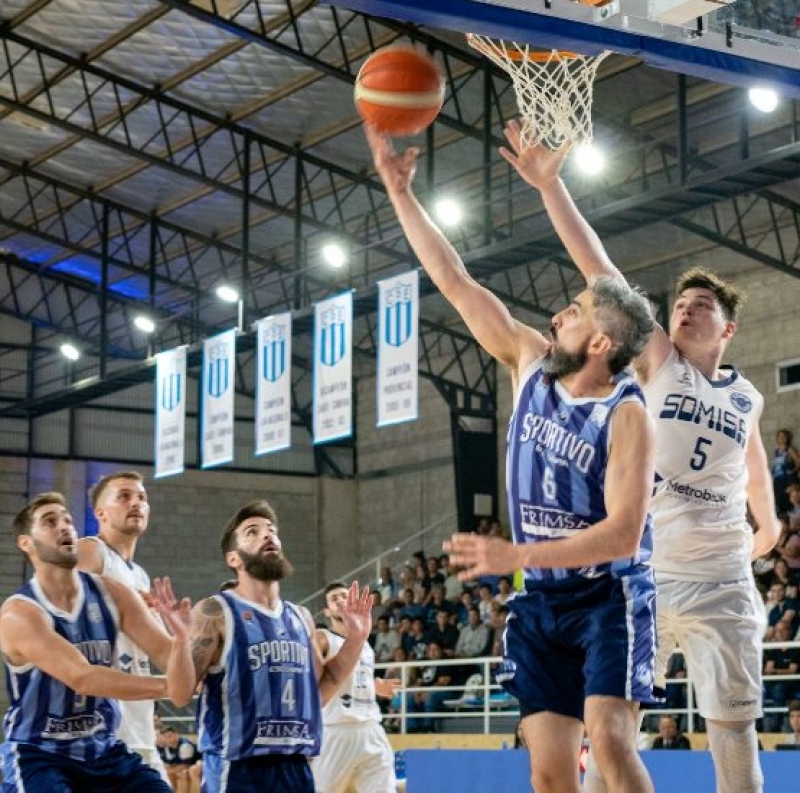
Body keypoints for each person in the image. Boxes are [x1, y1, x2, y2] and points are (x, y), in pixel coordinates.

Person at [366, 123, 658, 793]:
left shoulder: (627, 414)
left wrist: (513, 557)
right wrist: (400, 192)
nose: (559, 314)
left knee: (611, 746)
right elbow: (454, 278)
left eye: (576, 311)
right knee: (550, 779)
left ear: (601, 344)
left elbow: (622, 532)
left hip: (607, 596)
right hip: (541, 603)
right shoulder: (528, 360)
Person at [500, 119, 781, 793]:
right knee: (611, 730)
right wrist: (551, 186)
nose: (685, 311)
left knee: (733, 727)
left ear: (727, 327)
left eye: (701, 306)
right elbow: (602, 271)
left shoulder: (745, 395)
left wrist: (768, 524)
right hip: (645, 575)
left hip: (720, 575)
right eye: (680, 304)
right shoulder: (657, 361)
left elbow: (752, 461)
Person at [0, 492, 195, 792]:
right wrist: (169, 685)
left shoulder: (115, 594)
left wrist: (183, 640)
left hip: (104, 752)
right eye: (50, 522)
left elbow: (168, 656)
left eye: (67, 520)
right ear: (26, 543)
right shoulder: (19, 613)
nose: (64, 527)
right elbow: (83, 677)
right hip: (40, 754)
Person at [181, 499, 373, 793]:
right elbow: (180, 692)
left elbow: (322, 690)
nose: (267, 534)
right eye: (252, 532)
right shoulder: (214, 612)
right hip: (238, 765)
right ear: (234, 559)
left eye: (271, 529)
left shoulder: (301, 617)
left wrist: (356, 638)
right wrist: (178, 642)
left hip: (294, 765)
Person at [76, 470, 168, 779]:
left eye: (141, 497)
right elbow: (65, 612)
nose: (136, 503)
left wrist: (169, 622)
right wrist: (126, 604)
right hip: (98, 729)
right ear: (100, 512)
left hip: (139, 725)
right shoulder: (91, 550)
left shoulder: (139, 575)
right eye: (124, 496)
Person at [312, 581, 398, 793]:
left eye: (344, 595)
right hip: (336, 729)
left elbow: (357, 677)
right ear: (327, 611)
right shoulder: (323, 638)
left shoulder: (365, 643)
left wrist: (377, 686)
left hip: (371, 727)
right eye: (334, 599)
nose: (341, 600)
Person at [772, 429, 799, 515]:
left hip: (787, 479)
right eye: (780, 437)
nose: (782, 439)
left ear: (787, 438)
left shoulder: (790, 449)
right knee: (779, 500)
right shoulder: (776, 451)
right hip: (777, 480)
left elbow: (798, 461)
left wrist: (793, 470)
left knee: (788, 500)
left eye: (784, 437)